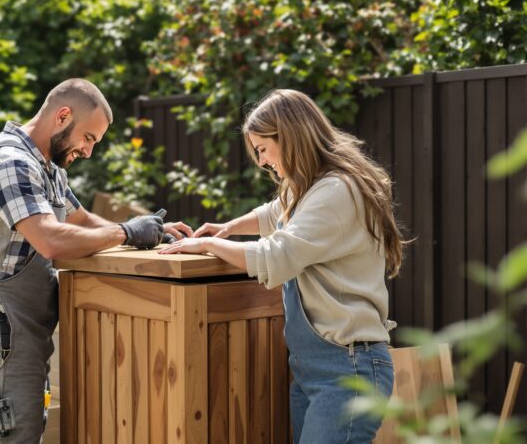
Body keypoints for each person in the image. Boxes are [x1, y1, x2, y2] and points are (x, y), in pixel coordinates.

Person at [0, 78, 192, 443]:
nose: (88, 151)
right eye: (88, 138)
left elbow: (82, 220)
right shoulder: (10, 163)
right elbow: (50, 239)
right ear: (62, 116)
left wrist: (150, 233)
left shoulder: (47, 168)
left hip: (17, 335)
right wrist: (125, 232)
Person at [160, 89, 404, 443]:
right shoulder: (312, 187)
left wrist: (209, 244)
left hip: (347, 371)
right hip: (315, 371)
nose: (261, 161)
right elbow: (276, 212)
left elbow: (278, 255)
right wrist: (229, 227)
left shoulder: (336, 191)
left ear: (288, 135)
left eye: (262, 149)